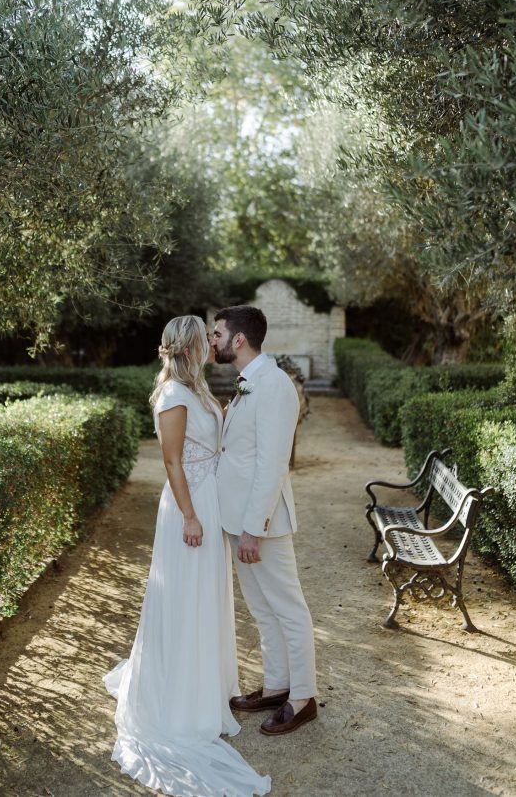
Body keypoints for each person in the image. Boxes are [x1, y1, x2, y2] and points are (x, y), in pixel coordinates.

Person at [104, 314, 270, 797]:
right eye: (207, 339)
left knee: (207, 599)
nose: (213, 343)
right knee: (184, 601)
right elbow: (172, 461)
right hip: (187, 510)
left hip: (210, 501)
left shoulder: (196, 388)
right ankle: (180, 699)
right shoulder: (173, 396)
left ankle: (206, 688)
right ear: (192, 346)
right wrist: (192, 516)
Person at [212, 305, 318, 736]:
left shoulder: (273, 385)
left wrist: (255, 527)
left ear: (238, 339)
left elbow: (273, 464)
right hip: (239, 519)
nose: (212, 340)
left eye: (217, 333)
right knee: (261, 609)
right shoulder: (248, 383)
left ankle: (304, 696)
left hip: (262, 524)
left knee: (288, 608)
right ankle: (276, 686)